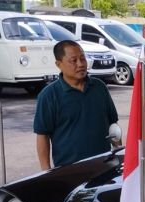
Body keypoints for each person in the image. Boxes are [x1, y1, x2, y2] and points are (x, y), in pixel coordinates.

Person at [34, 40, 119, 171]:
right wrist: (46, 171)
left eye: (82, 58)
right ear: (59, 64)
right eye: (73, 60)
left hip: (104, 164)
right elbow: (42, 135)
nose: (80, 64)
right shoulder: (49, 96)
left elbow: (112, 124)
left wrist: (117, 152)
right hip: (69, 170)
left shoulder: (99, 87)